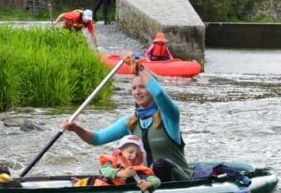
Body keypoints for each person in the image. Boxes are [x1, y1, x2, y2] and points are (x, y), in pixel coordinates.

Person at [62, 63, 190, 182]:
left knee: (160, 165)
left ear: (151, 89)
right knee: (117, 165)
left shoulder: (169, 115)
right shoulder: (130, 122)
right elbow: (97, 139)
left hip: (177, 179)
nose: (137, 92)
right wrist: (75, 128)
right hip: (146, 182)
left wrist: (139, 67)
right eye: (134, 88)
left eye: (142, 87)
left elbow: (160, 93)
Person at [96, 135, 160, 190]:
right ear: (120, 151)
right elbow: (105, 170)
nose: (134, 156)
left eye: (137, 155)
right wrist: (121, 173)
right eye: (130, 152)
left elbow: (157, 181)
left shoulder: (138, 172)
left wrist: (149, 184)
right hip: (105, 191)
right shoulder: (111, 162)